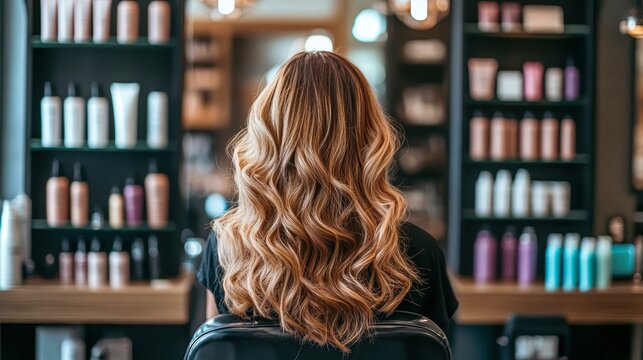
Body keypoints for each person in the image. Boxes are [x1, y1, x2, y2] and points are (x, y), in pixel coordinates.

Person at [197, 51, 458, 353]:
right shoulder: (419, 254)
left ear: (270, 135)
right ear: (369, 135)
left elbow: (216, 351)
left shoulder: (228, 249)